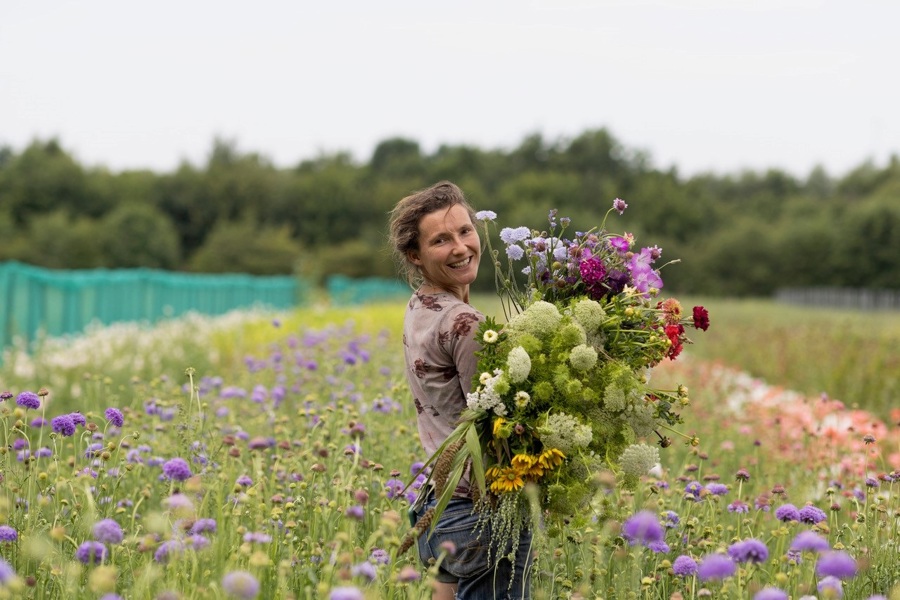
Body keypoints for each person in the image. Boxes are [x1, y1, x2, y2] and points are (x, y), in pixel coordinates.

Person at [389, 181, 533, 600]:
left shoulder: (420, 305)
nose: (460, 247)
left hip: (439, 505)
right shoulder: (467, 324)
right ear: (415, 256)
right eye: (440, 240)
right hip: (479, 510)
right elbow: (499, 425)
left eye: (465, 231)